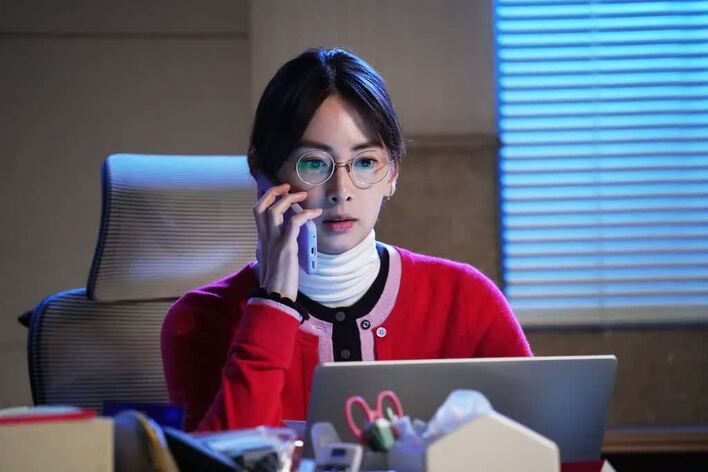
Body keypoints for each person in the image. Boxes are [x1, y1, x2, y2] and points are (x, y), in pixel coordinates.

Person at [161, 47, 532, 433]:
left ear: (392, 175)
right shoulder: (198, 320)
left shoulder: (465, 298)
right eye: (313, 162)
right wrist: (272, 306)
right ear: (262, 171)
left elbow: (545, 448)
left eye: (366, 162)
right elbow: (225, 456)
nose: (341, 191)